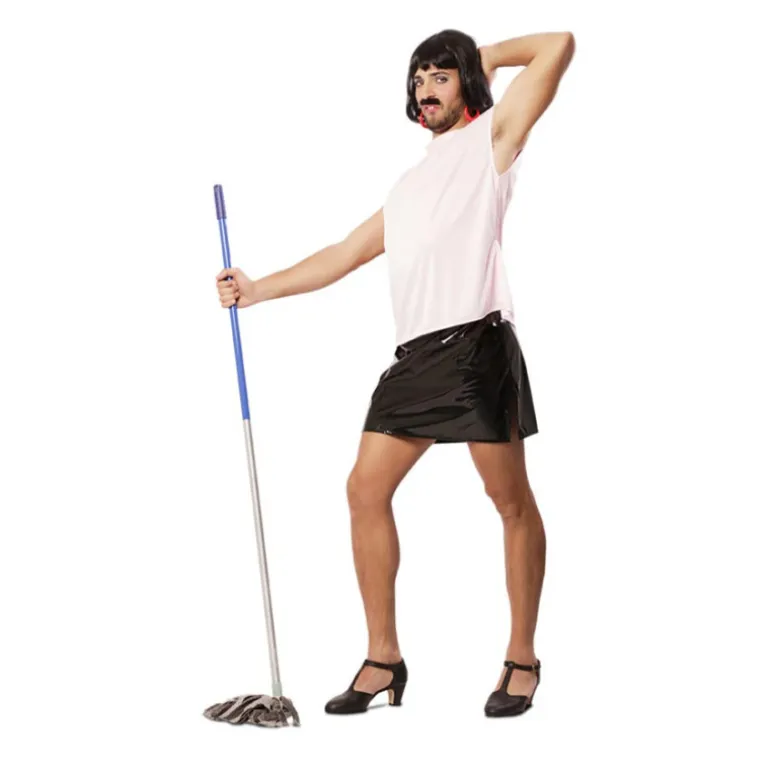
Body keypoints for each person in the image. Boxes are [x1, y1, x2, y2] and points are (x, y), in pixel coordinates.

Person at [216, 28, 575, 718]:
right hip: (415, 361)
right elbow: (344, 252)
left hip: (476, 349)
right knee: (364, 488)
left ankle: (522, 657)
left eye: (441, 76)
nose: (425, 90)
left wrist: (481, 59)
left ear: (467, 85)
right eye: (418, 79)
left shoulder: (494, 142)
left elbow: (557, 44)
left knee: (508, 502)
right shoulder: (409, 186)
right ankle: (383, 659)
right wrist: (258, 290)